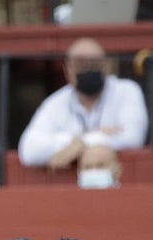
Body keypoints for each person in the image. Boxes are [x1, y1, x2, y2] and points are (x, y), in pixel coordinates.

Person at [18, 37, 148, 169]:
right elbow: (28, 150)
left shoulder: (126, 91)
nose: (88, 70)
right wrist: (88, 138)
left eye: (94, 64)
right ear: (67, 69)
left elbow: (132, 138)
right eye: (81, 65)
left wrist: (81, 143)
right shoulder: (55, 102)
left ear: (107, 66)